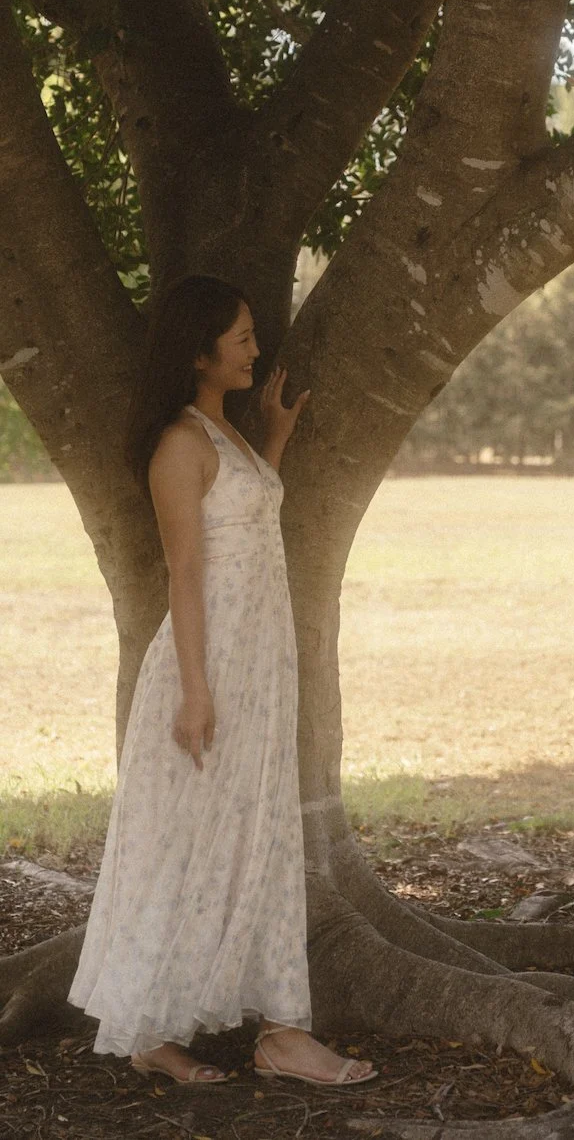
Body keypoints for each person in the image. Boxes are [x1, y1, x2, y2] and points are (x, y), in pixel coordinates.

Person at [69, 276, 376, 1086]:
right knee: (189, 841)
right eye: (240, 337)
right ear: (199, 351)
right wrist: (196, 691)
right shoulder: (180, 444)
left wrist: (271, 441)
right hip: (210, 670)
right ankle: (153, 1029)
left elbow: (249, 519)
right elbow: (186, 575)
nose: (254, 348)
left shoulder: (224, 433)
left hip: (260, 665)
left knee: (261, 836)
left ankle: (280, 1031)